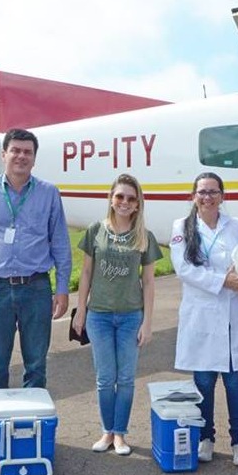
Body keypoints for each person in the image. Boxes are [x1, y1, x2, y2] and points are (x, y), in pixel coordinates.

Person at [0, 128, 72, 456]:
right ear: (4, 154)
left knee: (36, 364)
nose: (21, 156)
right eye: (16, 150)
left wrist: (62, 289)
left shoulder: (49, 193)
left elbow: (61, 244)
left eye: (28, 151)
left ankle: (29, 428)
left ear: (34, 158)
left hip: (37, 288)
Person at [170, 172, 238, 467]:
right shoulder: (182, 228)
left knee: (236, 383)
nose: (207, 197)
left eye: (213, 192)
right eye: (202, 192)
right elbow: (184, 269)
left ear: (222, 196)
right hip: (202, 316)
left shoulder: (237, 226)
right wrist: (225, 280)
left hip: (233, 315)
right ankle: (205, 439)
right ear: (193, 196)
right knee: (204, 383)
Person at [72, 174, 162, 456]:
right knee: (104, 377)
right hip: (98, 316)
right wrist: (81, 311)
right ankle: (106, 431)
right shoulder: (95, 230)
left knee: (125, 378)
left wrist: (147, 322)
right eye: (120, 196)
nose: (124, 202)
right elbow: (86, 273)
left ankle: (120, 434)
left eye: (131, 198)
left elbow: (148, 282)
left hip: (130, 316)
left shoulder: (144, 236)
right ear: (111, 198)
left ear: (138, 205)